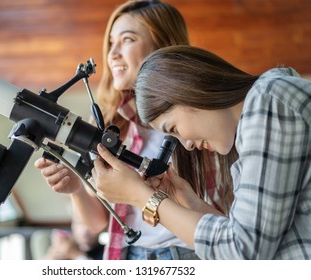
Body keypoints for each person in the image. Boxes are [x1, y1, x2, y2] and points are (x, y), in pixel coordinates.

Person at [92, 45, 311, 259]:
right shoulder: (253, 129)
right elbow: (247, 239)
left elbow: (242, 253)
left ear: (188, 91)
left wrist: (141, 197)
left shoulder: (268, 103)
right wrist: (191, 204)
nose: (186, 145)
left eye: (174, 129)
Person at [35, 0, 204, 260]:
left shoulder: (199, 117)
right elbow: (98, 223)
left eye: (127, 40)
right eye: (111, 43)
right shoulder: (108, 123)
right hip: (128, 255)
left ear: (163, 46)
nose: (112, 54)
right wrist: (76, 189)